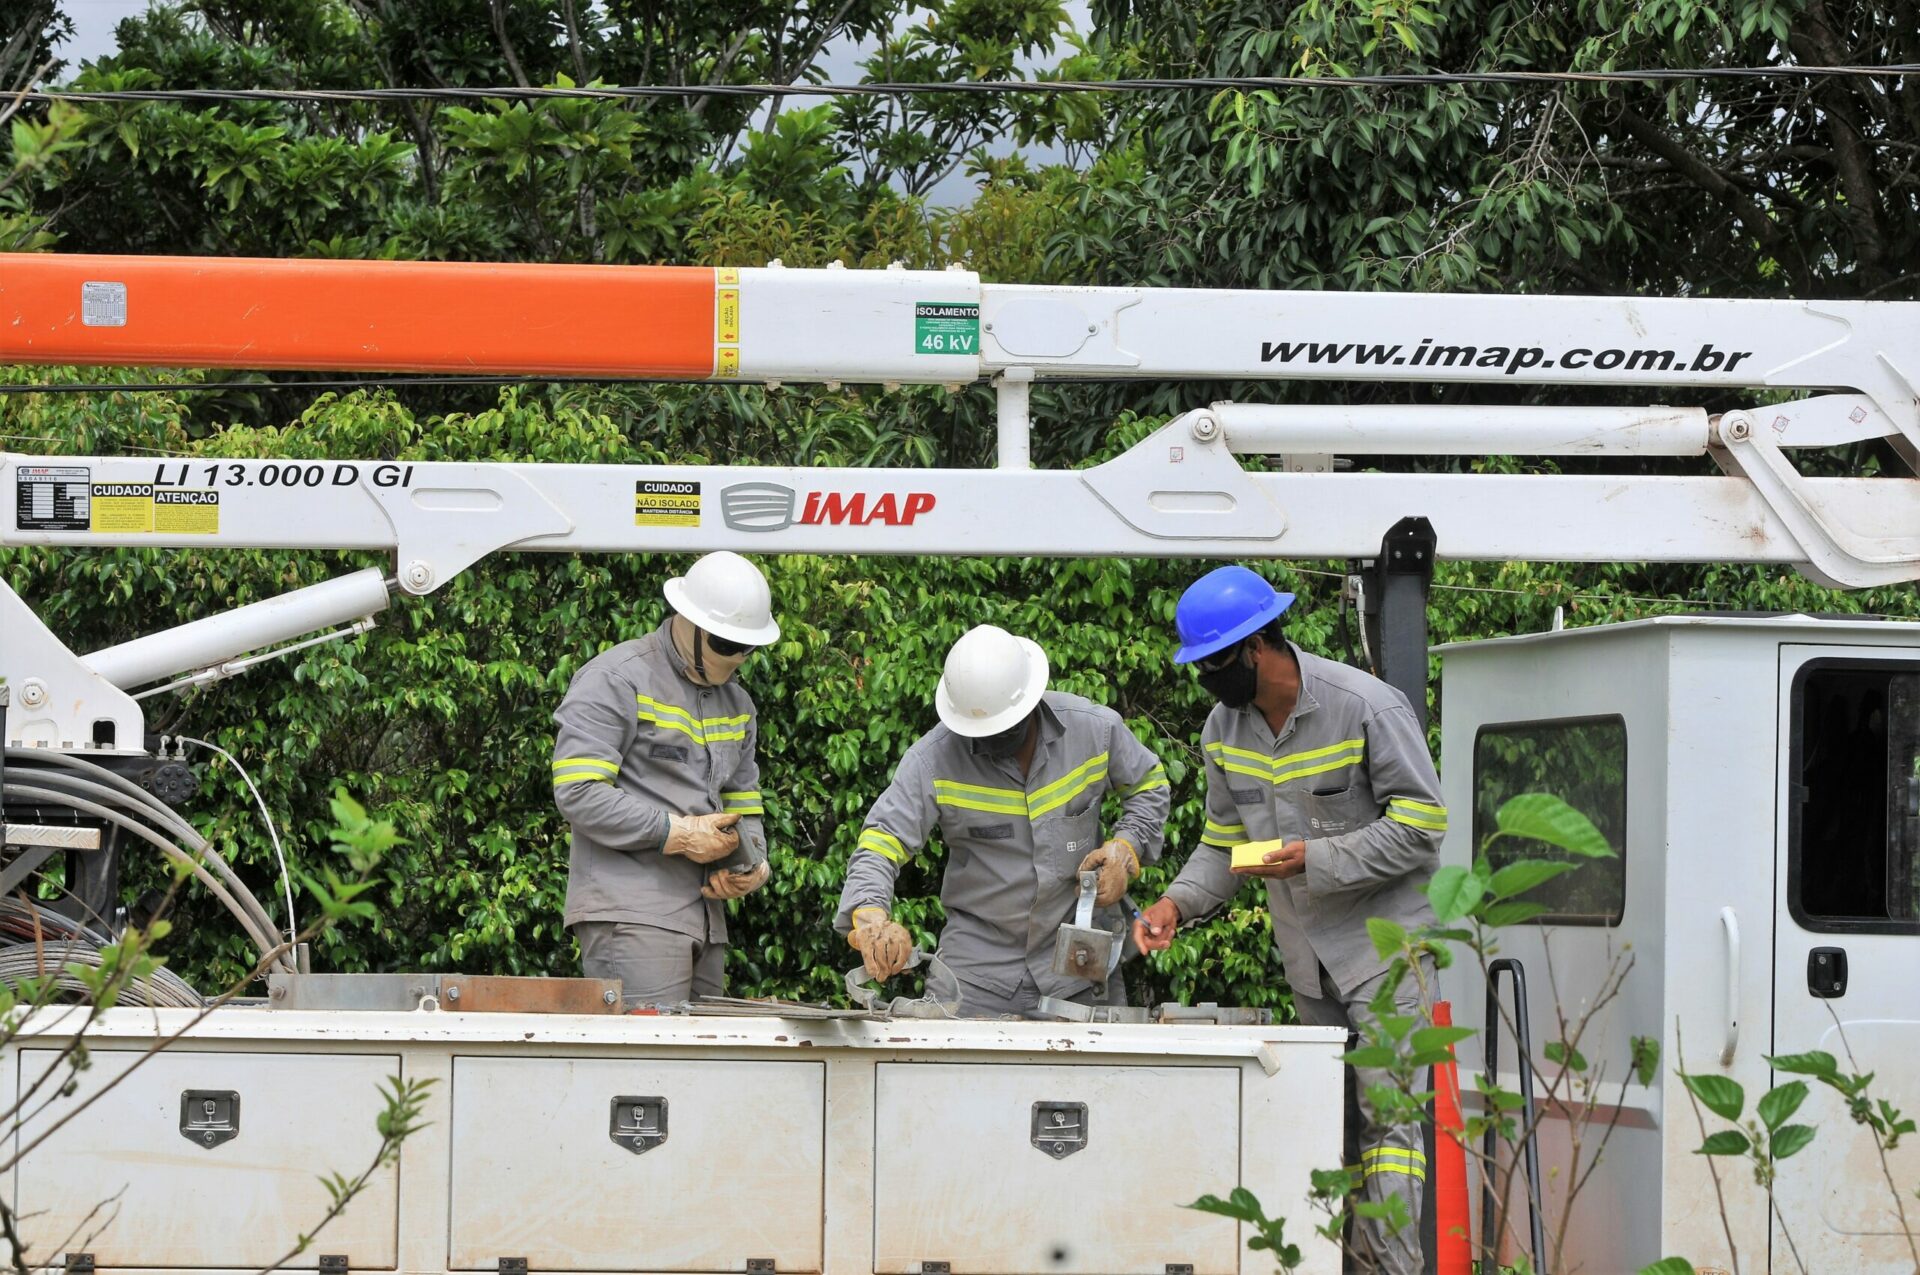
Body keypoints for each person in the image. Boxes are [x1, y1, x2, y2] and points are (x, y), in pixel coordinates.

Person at [1133, 565, 1446, 1275]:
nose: (1207, 683)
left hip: (1388, 953)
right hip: (1309, 958)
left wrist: (1317, 857)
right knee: (1320, 1122)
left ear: (1256, 647)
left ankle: (1390, 1270)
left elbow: (1424, 825)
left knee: (1390, 1124)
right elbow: (1223, 842)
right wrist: (1173, 903)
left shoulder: (1365, 705)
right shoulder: (1223, 729)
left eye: (1213, 665)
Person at [836, 624, 1170, 1017]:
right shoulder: (933, 760)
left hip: (1078, 971)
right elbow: (882, 840)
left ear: (1030, 702)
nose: (993, 740)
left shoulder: (1094, 731)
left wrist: (1124, 850)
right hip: (974, 977)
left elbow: (1149, 785)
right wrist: (871, 915)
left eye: (1003, 727)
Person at [551, 550, 778, 1008]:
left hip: (705, 917)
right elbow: (578, 792)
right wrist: (676, 833)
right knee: (646, 1070)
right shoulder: (616, 678)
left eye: (747, 646)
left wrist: (751, 865)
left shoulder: (737, 704)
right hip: (633, 912)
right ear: (686, 620)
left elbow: (744, 801)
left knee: (697, 1072)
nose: (738, 658)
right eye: (726, 644)